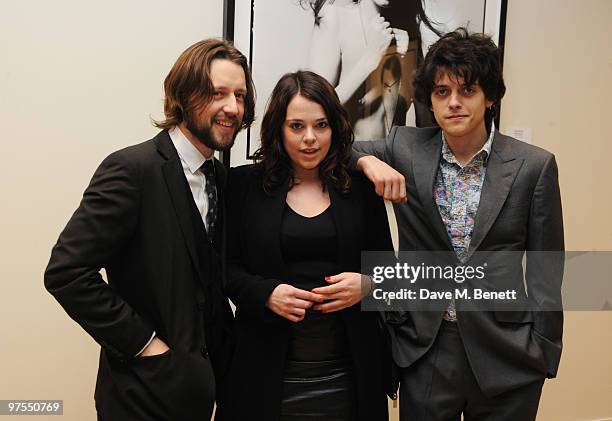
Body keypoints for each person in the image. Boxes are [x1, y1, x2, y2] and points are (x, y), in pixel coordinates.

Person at [354, 28, 564, 420]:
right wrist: (368, 161)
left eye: (467, 91)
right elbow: (336, 149)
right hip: (426, 348)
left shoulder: (533, 166)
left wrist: (542, 351)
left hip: (508, 352)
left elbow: (546, 270)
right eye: (441, 92)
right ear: (430, 101)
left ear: (490, 97)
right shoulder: (404, 146)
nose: (453, 103)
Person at [44, 39, 255, 420]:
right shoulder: (132, 170)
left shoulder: (222, 179)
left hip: (209, 395)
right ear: (184, 95)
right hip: (141, 397)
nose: (233, 108)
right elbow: (67, 273)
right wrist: (147, 346)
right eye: (218, 93)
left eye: (240, 95)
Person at [216, 70, 392, 421]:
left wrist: (367, 285)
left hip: (349, 375)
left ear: (334, 128)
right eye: (296, 126)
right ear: (279, 129)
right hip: (264, 372)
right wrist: (266, 293)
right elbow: (224, 270)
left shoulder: (359, 187)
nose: (310, 138)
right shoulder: (242, 185)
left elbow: (388, 269)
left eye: (321, 125)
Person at [304, 0, 441, 140]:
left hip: (392, 158)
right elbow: (310, 110)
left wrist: (408, 69)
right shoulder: (334, 17)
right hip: (350, 156)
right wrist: (370, 59)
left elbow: (424, 121)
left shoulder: (405, 24)